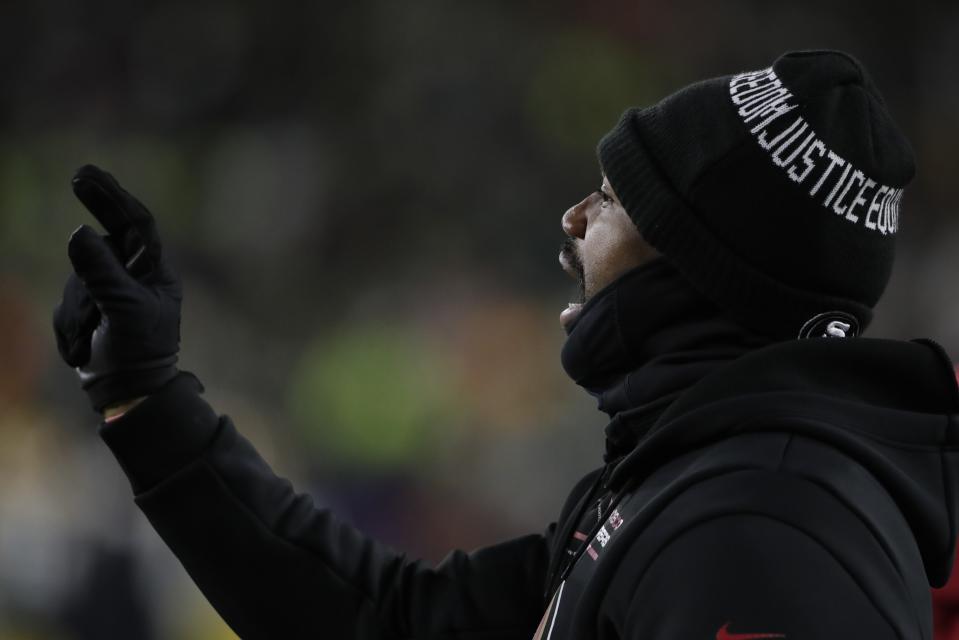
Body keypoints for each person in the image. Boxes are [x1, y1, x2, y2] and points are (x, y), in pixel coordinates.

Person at [53, 50, 959, 640]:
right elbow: (389, 624)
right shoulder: (690, 481)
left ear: (703, 268)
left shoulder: (755, 532)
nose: (570, 216)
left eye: (611, 198)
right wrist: (146, 399)